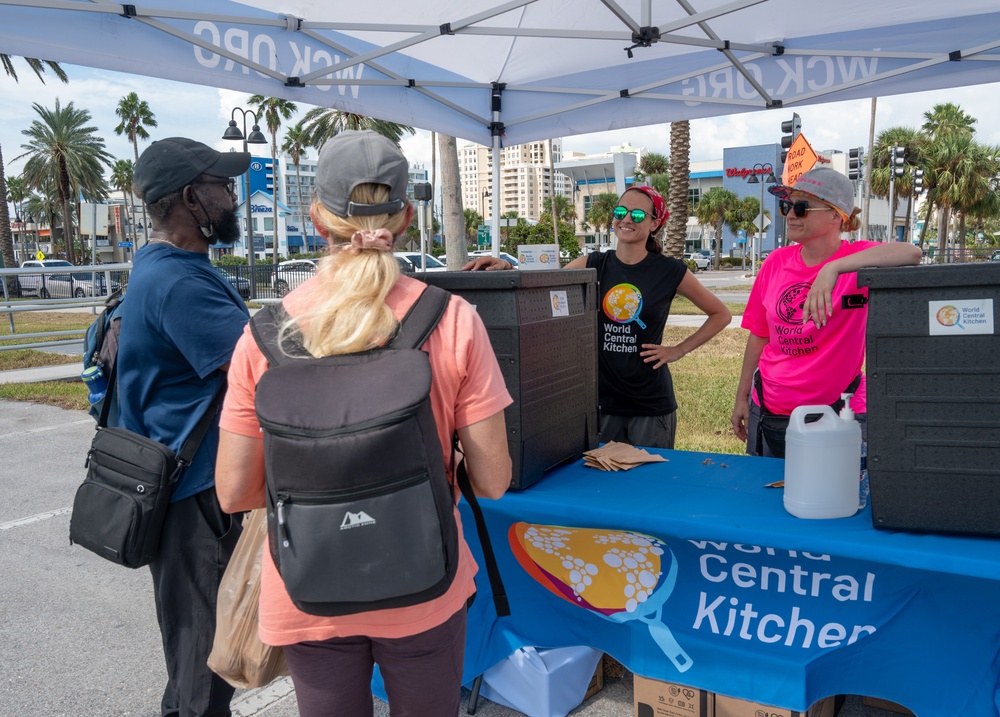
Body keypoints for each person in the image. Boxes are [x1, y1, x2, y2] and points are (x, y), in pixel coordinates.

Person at [214, 130, 513, 717]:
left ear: (315, 218)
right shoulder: (451, 320)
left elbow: (234, 492)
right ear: (405, 217)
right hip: (425, 579)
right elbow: (495, 479)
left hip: (309, 587)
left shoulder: (265, 335)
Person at [119, 136, 251, 717]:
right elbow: (266, 369)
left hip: (183, 487)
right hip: (192, 497)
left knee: (198, 655)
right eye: (222, 187)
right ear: (193, 198)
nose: (233, 197)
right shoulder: (179, 284)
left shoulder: (162, 265)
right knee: (202, 661)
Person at [467, 185, 731, 449]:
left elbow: (721, 314)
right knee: (600, 485)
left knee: (650, 486)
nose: (627, 219)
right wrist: (508, 266)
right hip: (601, 401)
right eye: (621, 211)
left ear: (655, 224)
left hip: (650, 404)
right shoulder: (593, 263)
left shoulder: (669, 271)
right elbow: (542, 284)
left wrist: (679, 350)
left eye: (638, 215)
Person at [731, 167, 922, 458]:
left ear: (836, 216)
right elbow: (759, 335)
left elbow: (912, 253)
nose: (790, 214)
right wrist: (742, 396)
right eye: (787, 206)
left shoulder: (857, 261)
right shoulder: (775, 262)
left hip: (838, 412)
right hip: (768, 409)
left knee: (835, 497)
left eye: (801, 207)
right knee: (765, 495)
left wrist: (833, 268)